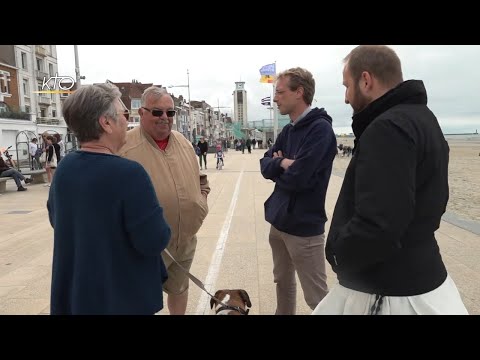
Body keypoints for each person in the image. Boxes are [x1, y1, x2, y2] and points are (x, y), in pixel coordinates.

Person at [313, 45, 468, 315]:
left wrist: (338, 254)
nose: (347, 98)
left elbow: (379, 224)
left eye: (347, 86)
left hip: (389, 290)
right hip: (425, 277)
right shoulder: (424, 119)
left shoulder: (387, 128)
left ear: (366, 80)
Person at [47, 83, 171, 315]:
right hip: (120, 298)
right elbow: (154, 240)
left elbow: (57, 220)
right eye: (123, 114)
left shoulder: (64, 168)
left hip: (78, 296)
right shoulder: (130, 173)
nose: (126, 120)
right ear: (106, 122)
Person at [119, 86, 210, 315]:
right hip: (146, 247)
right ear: (141, 113)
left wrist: (201, 202)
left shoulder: (183, 143)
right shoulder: (124, 147)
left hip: (184, 240)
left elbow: (201, 180)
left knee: (179, 289)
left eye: (170, 113)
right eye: (157, 112)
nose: (165, 118)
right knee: (141, 299)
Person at [260, 67, 337, 315]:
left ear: (299, 92)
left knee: (317, 298)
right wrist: (282, 162)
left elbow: (299, 179)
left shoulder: (320, 130)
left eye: (280, 92)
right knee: (282, 283)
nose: (275, 98)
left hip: (304, 227)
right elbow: (264, 165)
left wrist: (280, 169)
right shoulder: (289, 129)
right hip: (279, 221)